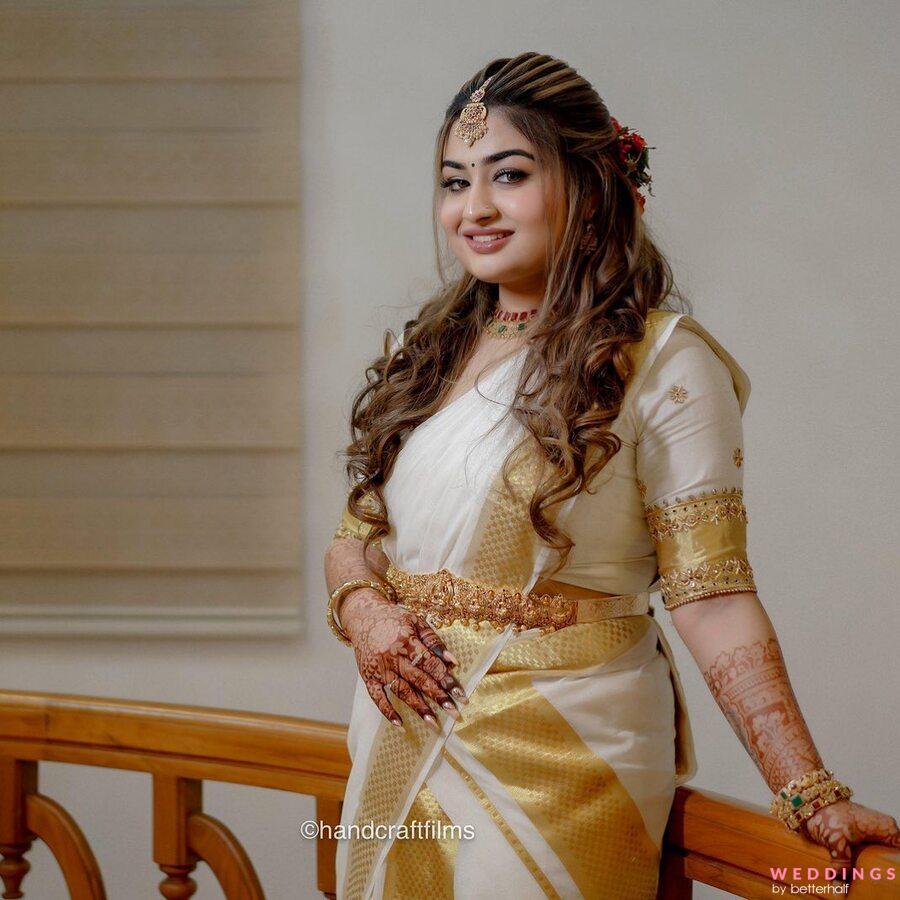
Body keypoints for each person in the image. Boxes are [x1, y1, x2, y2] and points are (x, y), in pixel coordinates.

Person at [323, 52, 900, 900]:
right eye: (454, 182)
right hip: (400, 732)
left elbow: (712, 596)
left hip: (566, 754)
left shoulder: (662, 362)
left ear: (590, 184)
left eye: (509, 175)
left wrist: (808, 793)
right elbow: (353, 542)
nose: (473, 209)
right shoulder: (436, 350)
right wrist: (367, 614)